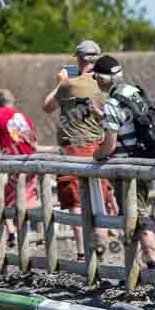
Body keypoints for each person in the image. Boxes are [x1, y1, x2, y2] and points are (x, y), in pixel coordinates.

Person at [43, 39, 109, 260]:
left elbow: (47, 106)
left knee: (76, 202)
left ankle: (82, 252)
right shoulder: (105, 85)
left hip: (72, 149)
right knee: (99, 201)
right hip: (99, 147)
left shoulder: (68, 85)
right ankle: (100, 248)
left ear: (80, 60)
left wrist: (60, 82)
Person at [92, 55, 155, 269]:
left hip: (125, 167)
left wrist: (96, 155)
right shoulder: (132, 92)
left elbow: (110, 145)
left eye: (95, 76)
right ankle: (145, 267)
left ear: (103, 78)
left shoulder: (112, 103)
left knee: (134, 218)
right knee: (140, 213)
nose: (95, 81)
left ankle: (146, 268)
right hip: (143, 160)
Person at [0, 89, 38, 248]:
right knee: (25, 198)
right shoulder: (22, 116)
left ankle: (12, 232)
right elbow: (33, 141)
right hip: (29, 161)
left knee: (4, 199)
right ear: (13, 102)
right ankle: (21, 233)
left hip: (11, 160)